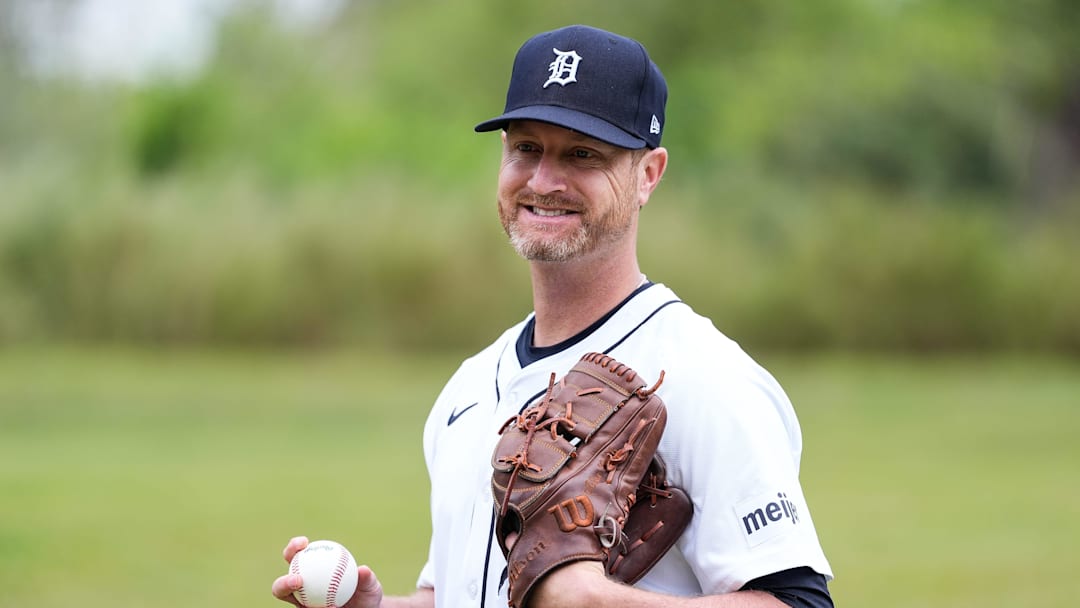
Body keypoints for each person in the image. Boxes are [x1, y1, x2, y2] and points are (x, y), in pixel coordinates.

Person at [272, 24, 834, 608]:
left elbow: (798, 603)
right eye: (526, 148)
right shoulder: (466, 391)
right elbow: (461, 593)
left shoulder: (705, 377)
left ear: (648, 174)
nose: (543, 180)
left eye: (582, 154)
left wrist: (596, 601)